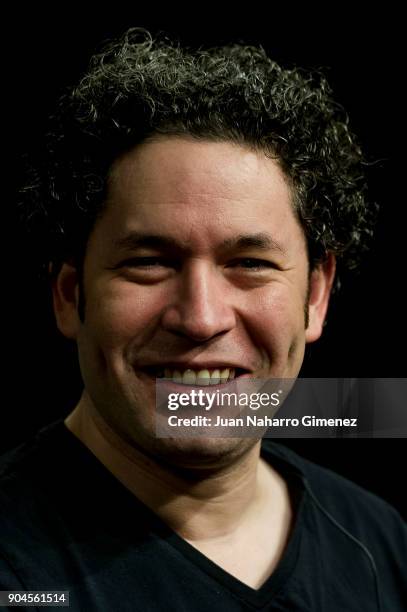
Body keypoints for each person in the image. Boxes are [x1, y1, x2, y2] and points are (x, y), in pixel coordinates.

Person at [2, 28, 405, 611]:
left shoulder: (379, 542)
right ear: (70, 295)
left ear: (315, 296)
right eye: (148, 263)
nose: (201, 318)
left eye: (249, 264)